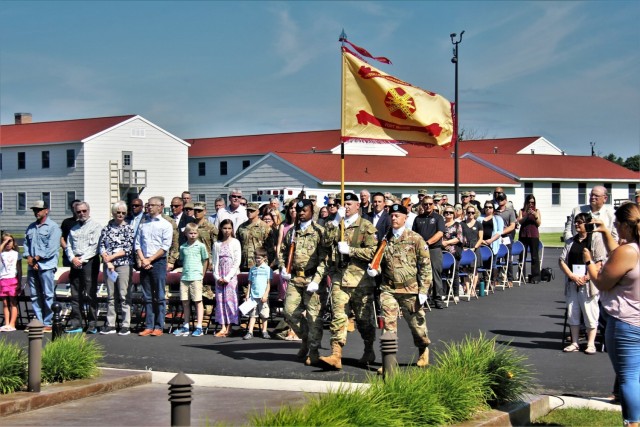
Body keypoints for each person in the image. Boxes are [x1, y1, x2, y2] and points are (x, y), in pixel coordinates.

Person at [584, 202, 639, 426]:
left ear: (626, 225)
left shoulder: (628, 251)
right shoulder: (630, 251)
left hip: (625, 323)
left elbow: (603, 282)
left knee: (628, 378)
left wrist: (589, 264)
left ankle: (632, 422)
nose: (615, 227)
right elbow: (619, 258)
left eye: (616, 224)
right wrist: (606, 232)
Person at [366, 203, 432, 370]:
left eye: (397, 216)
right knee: (388, 326)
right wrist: (375, 270)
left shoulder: (415, 238)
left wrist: (423, 290)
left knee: (417, 326)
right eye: (392, 215)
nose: (394, 218)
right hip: (388, 289)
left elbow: (425, 266)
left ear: (405, 218)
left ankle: (423, 349)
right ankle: (389, 362)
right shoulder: (384, 238)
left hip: (410, 290)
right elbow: (379, 261)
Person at [319, 193, 377, 370]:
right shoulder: (338, 224)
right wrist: (335, 221)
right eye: (343, 204)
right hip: (339, 277)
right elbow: (325, 242)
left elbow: (373, 252)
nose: (347, 207)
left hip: (360, 281)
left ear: (358, 206)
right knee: (338, 316)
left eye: (350, 204)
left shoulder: (366, 226)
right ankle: (336, 354)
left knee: (363, 320)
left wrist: (350, 250)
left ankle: (368, 349)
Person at [279, 199, 329, 365]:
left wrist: (317, 279)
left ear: (311, 211)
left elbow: (325, 259)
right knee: (289, 312)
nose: (301, 213)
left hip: (312, 279)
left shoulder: (319, 232)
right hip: (295, 278)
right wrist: (282, 268)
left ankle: (313, 350)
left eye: (304, 210)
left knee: (314, 317)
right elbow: (283, 253)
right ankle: (306, 339)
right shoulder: (292, 232)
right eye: (298, 211)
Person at [559, 212, 606, 354]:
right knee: (573, 312)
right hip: (573, 282)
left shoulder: (596, 240)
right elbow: (562, 260)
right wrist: (572, 276)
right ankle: (574, 342)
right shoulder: (571, 241)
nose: (576, 224)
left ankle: (591, 343)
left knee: (590, 312)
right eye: (575, 222)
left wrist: (586, 277)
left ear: (587, 224)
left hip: (588, 284)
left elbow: (599, 262)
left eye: (579, 222)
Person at [136, 196, 173, 337]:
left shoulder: (165, 225)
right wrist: (143, 259)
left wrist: (150, 259)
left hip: (158, 262)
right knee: (147, 296)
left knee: (160, 296)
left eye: (152, 205)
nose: (149, 207)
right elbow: (138, 244)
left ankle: (159, 325)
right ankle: (149, 325)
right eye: (148, 205)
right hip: (144, 262)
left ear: (160, 207)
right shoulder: (143, 223)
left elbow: (165, 246)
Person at [23, 200, 61, 332]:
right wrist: (29, 257)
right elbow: (26, 243)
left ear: (46, 210)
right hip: (32, 266)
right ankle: (38, 321)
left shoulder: (53, 227)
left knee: (48, 294)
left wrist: (36, 259)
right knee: (34, 294)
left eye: (39, 210)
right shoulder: (31, 227)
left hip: (46, 266)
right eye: (35, 210)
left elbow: (52, 247)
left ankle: (48, 322)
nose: (36, 212)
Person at [65, 201, 103, 334]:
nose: (81, 213)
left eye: (84, 211)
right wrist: (72, 258)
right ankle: (77, 324)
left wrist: (81, 259)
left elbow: (95, 247)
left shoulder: (96, 226)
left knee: (90, 293)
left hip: (89, 262)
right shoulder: (74, 228)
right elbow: (68, 246)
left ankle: (92, 323)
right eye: (79, 211)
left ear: (88, 210)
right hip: (75, 262)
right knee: (75, 294)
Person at [98, 201, 135, 336]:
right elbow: (101, 245)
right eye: (118, 212)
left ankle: (126, 324)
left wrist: (111, 258)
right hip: (109, 266)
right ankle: (111, 324)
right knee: (111, 296)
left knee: (124, 295)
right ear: (113, 213)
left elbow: (127, 248)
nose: (120, 215)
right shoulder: (106, 228)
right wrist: (107, 261)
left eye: (123, 213)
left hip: (123, 264)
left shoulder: (129, 228)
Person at [173, 223, 209, 337]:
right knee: (185, 301)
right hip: (185, 277)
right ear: (186, 234)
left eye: (195, 233)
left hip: (196, 277)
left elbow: (205, 260)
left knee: (198, 301)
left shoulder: (201, 246)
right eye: (191, 233)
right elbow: (183, 261)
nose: (193, 235)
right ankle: (186, 325)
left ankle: (199, 326)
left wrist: (202, 274)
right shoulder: (183, 247)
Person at [412, 195, 446, 309]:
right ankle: (422, 297)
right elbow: (414, 235)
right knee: (420, 274)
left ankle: (438, 298)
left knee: (435, 274)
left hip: (434, 249)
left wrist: (427, 243)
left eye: (430, 204)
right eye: (425, 204)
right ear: (422, 205)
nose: (428, 206)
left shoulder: (438, 218)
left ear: (433, 205)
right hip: (420, 251)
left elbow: (440, 233)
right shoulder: (418, 218)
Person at [211, 219, 241, 337]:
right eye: (225, 228)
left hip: (230, 275)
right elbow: (214, 262)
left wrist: (228, 277)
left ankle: (229, 327)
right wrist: (217, 277)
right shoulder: (217, 244)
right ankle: (222, 326)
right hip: (220, 274)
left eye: (229, 228)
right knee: (220, 301)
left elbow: (237, 261)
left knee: (230, 301)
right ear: (220, 229)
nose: (227, 231)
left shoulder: (235, 242)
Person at [243, 247, 272, 340]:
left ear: (264, 258)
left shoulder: (267, 269)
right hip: (253, 296)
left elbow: (268, 283)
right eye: (256, 258)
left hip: (263, 296)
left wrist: (266, 295)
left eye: (259, 258)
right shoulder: (252, 269)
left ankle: (264, 331)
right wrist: (247, 294)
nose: (257, 260)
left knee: (264, 315)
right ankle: (250, 332)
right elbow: (250, 283)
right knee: (253, 314)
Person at [493, 187, 516, 287]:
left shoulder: (510, 211)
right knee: (497, 257)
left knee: (508, 257)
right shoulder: (495, 212)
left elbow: (512, 225)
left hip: (507, 236)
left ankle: (510, 278)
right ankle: (497, 278)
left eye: (502, 199)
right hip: (496, 237)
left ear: (505, 200)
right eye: (498, 199)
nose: (500, 201)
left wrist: (501, 232)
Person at [480, 201, 504, 292]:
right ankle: (486, 281)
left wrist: (490, 240)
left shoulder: (497, 218)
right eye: (486, 207)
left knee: (492, 263)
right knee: (483, 264)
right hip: (482, 244)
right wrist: (482, 241)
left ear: (493, 209)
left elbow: (499, 232)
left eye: (490, 207)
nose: (488, 209)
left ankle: (492, 281)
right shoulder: (479, 218)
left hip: (493, 243)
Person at [518, 194, 542, 283]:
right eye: (529, 202)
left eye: (533, 202)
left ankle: (536, 277)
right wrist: (526, 215)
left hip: (533, 235)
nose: (531, 204)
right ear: (526, 202)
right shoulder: (522, 211)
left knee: (535, 256)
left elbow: (539, 223)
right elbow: (520, 221)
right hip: (523, 235)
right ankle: (521, 276)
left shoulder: (537, 211)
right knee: (522, 256)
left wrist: (535, 215)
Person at [442, 204, 464, 302]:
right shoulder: (441, 224)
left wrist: (447, 242)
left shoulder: (457, 225)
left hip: (454, 252)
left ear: (454, 214)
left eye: (450, 212)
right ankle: (444, 293)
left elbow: (459, 238)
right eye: (446, 212)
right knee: (443, 273)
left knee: (455, 273)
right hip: (442, 252)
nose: (448, 214)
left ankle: (455, 294)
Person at [0, 233, 22, 332]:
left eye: (10, 241)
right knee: (5, 303)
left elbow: (19, 269)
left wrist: (19, 282)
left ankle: (12, 324)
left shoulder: (16, 253)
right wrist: (4, 243)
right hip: (3, 279)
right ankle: (7, 323)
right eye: (6, 241)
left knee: (13, 302)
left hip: (13, 279)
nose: (8, 243)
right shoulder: (2, 253)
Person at [461, 204, 483, 294]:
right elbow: (460, 236)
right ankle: (467, 288)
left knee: (474, 270)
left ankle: (473, 289)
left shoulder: (478, 224)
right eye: (468, 212)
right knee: (465, 269)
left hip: (475, 247)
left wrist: (475, 247)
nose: (470, 214)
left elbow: (480, 238)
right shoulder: (462, 224)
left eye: (472, 212)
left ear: (475, 213)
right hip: (465, 248)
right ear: (466, 213)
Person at [60, 199, 81, 268]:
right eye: (74, 207)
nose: (76, 208)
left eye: (78, 206)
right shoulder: (66, 222)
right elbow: (62, 238)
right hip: (67, 257)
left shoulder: (86, 223)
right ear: (71, 209)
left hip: (81, 257)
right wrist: (67, 250)